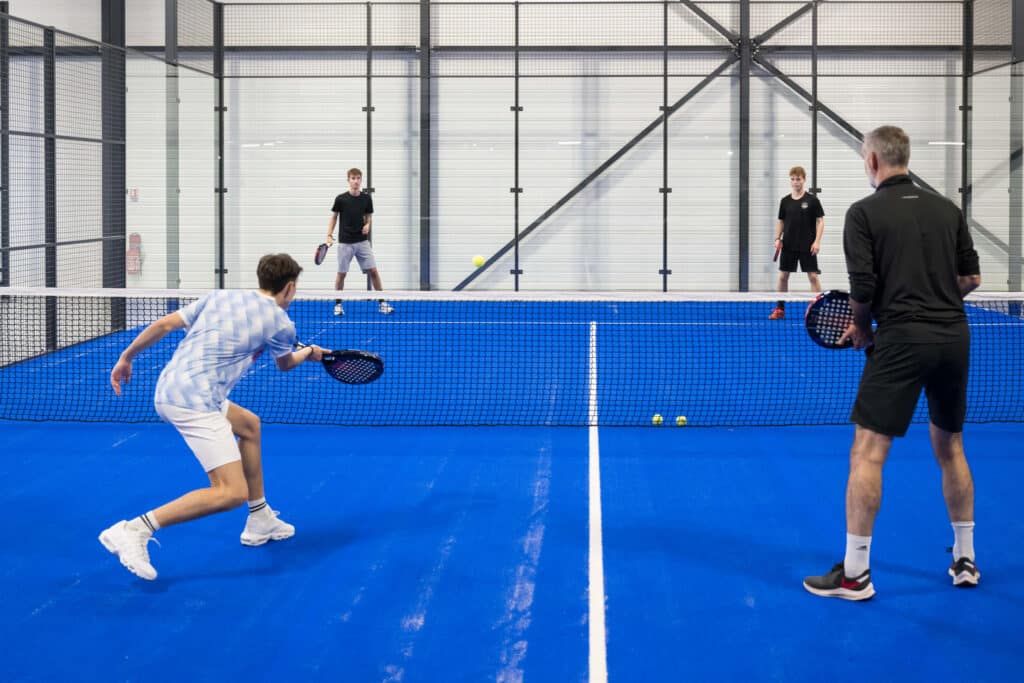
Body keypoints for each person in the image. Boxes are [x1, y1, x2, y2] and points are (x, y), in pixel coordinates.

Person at [803, 126, 982, 601]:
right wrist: (937, 299)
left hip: (901, 340)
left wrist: (863, 328)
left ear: (874, 163)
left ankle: (855, 575)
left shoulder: (863, 213)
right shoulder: (947, 209)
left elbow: (863, 286)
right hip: (953, 338)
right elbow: (971, 277)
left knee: (868, 452)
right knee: (951, 447)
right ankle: (965, 559)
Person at [99, 253, 324, 581]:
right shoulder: (281, 323)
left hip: (171, 386)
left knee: (249, 425)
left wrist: (126, 356)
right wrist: (310, 352)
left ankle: (260, 518)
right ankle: (134, 530)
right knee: (230, 492)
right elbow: (285, 363)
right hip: (194, 402)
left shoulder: (221, 296)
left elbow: (164, 324)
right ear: (290, 288)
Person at [326, 167, 393, 316]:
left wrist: (368, 224)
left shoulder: (366, 198)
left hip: (362, 242)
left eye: (358, 178)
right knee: (341, 274)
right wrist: (329, 235)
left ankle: (382, 303)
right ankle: (338, 304)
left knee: (374, 272)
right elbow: (334, 217)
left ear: (361, 180)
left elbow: (368, 215)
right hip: (345, 243)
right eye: (353, 178)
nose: (356, 181)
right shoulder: (340, 199)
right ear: (348, 180)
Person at [769, 166, 825, 319]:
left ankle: (818, 310)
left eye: (798, 179)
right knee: (783, 277)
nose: (795, 182)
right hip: (788, 245)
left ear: (804, 180)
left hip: (808, 246)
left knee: (813, 277)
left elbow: (820, 221)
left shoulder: (812, 200)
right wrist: (777, 238)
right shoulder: (785, 201)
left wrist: (817, 241)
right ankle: (780, 309)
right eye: (793, 179)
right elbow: (780, 221)